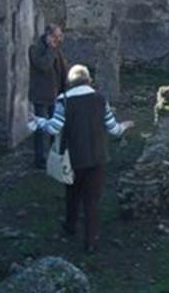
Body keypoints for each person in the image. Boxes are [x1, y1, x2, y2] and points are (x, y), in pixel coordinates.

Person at [30, 64, 134, 253]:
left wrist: (38, 121)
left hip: (74, 157)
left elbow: (53, 128)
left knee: (72, 192)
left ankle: (70, 226)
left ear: (70, 82)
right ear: (88, 80)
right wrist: (124, 126)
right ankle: (90, 242)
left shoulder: (64, 100)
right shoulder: (100, 99)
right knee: (92, 201)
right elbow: (113, 129)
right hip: (98, 157)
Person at [28, 24, 68, 169]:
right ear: (48, 36)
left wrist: (64, 90)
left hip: (55, 95)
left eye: (60, 36)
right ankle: (39, 159)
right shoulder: (35, 49)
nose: (59, 39)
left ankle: (54, 156)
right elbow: (43, 65)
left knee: (55, 128)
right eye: (56, 36)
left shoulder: (56, 49)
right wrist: (51, 49)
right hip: (41, 95)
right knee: (40, 129)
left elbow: (62, 69)